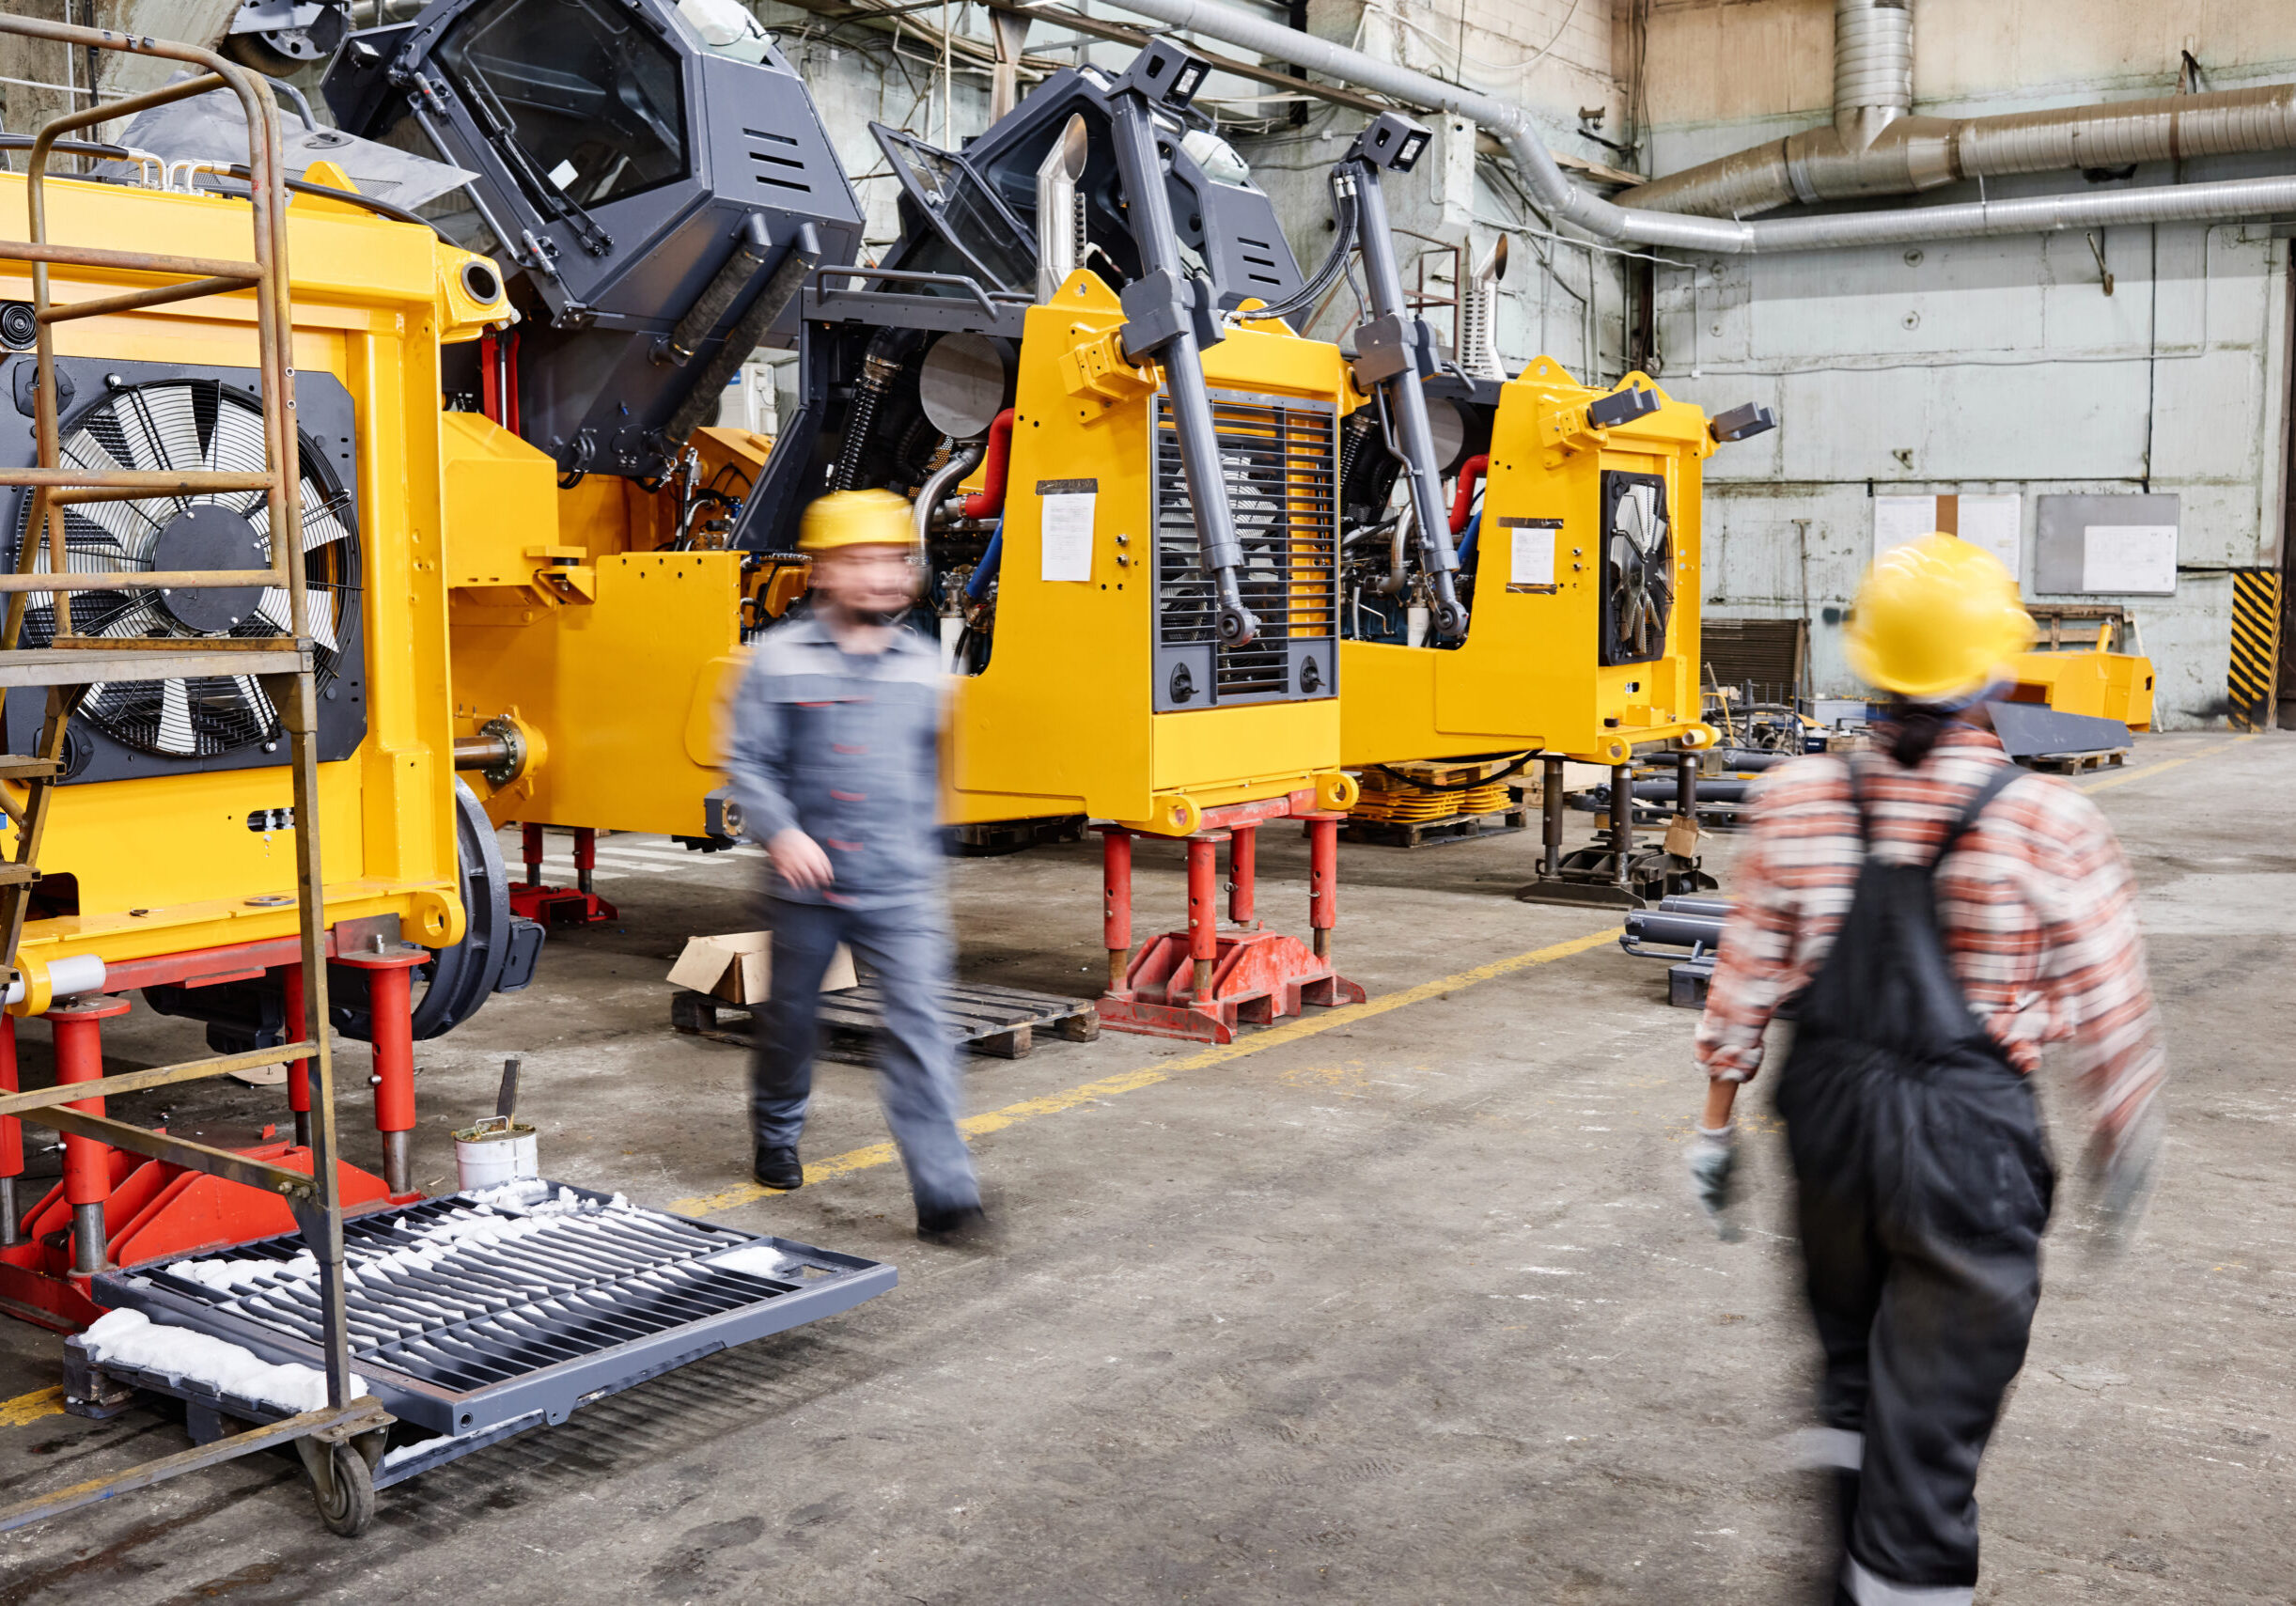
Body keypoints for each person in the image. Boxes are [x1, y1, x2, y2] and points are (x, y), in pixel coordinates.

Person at [1687, 534, 2164, 1606]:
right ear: (1994, 674)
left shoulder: (1795, 799)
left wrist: (1714, 1128)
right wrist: (2120, 1140)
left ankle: (1839, 1576)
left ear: (1870, 668)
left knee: (1849, 1373)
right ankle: (1896, 1583)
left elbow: (1744, 980)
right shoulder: (2051, 821)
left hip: (1829, 1123)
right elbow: (2109, 1012)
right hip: (1967, 1139)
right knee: (1933, 1420)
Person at [726, 487, 988, 1244]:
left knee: (920, 1030)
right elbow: (748, 761)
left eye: (895, 560)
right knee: (790, 1024)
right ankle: (776, 1129)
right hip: (804, 887)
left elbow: (925, 764)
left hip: (900, 884)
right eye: (863, 560)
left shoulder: (921, 661)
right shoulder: (775, 662)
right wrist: (780, 833)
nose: (883, 576)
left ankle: (945, 1194)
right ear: (822, 573)